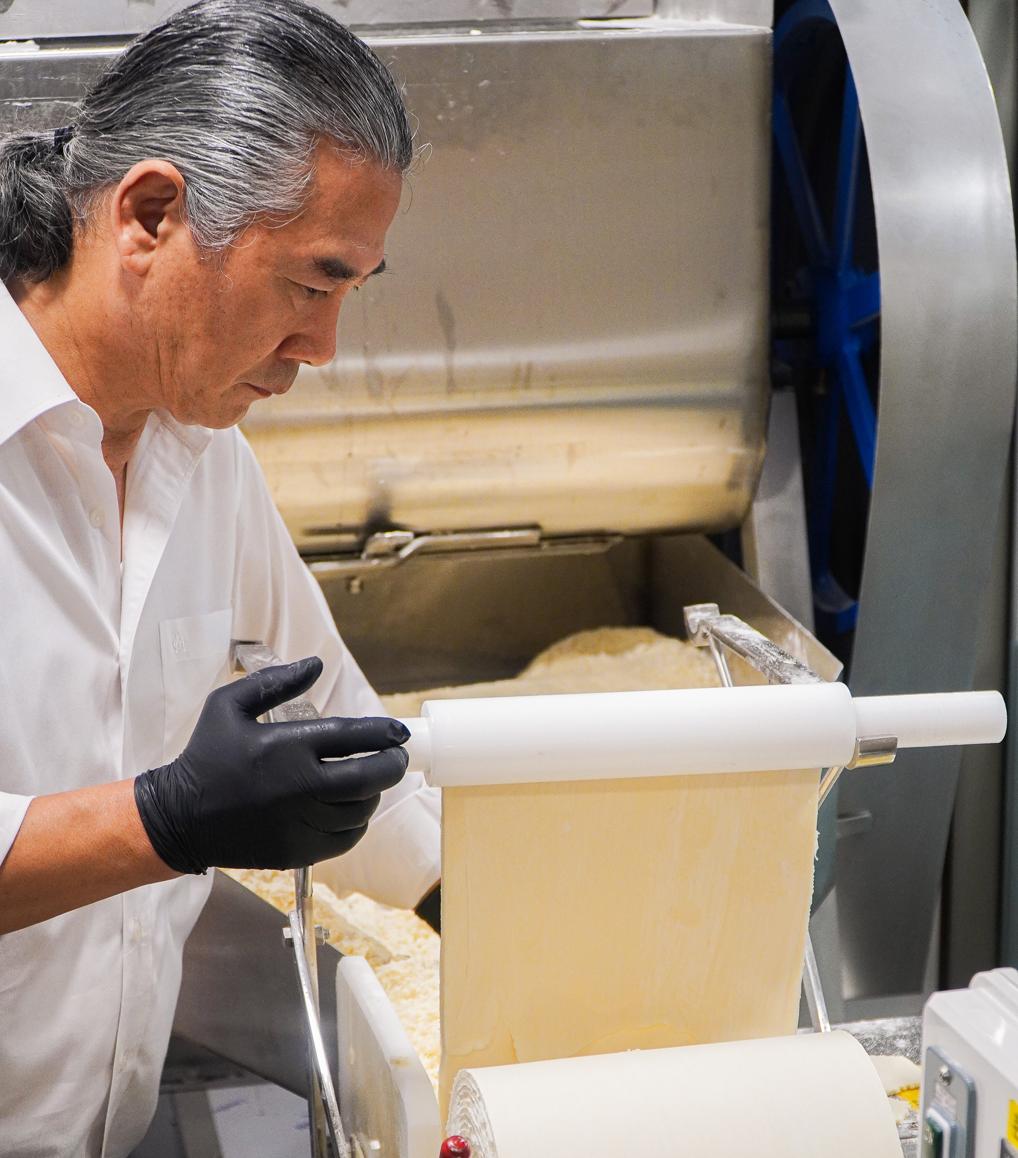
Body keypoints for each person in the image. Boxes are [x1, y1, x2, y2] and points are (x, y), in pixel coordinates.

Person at [0, 2, 441, 1153]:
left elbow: (340, 732)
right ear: (150, 214)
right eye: (311, 283)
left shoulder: (203, 460)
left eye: (352, 292)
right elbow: (185, 814)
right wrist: (163, 820)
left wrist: (475, 896)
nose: (324, 348)